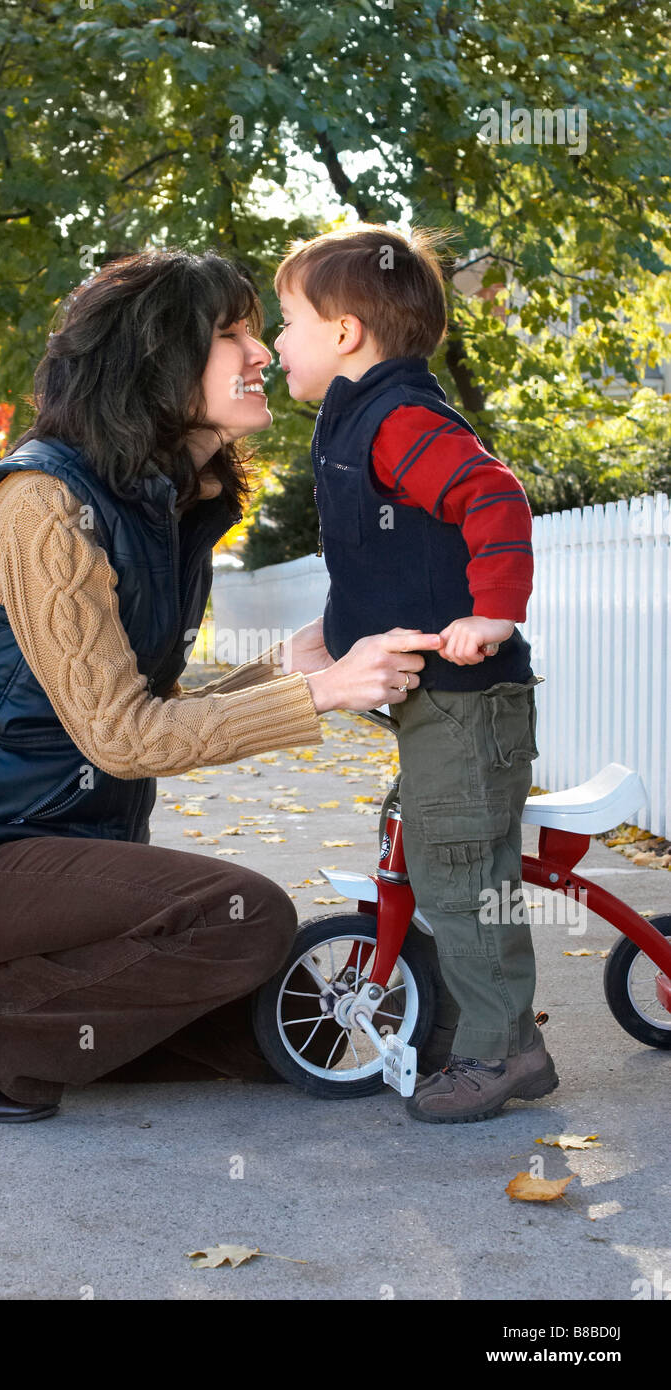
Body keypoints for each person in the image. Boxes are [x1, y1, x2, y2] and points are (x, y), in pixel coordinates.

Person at [0, 247, 441, 1123]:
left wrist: (283, 672)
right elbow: (122, 738)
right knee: (245, 919)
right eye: (230, 333)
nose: (260, 354)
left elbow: (139, 710)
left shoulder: (162, 505)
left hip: (69, 851)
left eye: (256, 330)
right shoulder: (40, 506)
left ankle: (26, 1006)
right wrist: (322, 697)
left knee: (292, 1043)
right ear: (154, 359)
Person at [272, 223, 558, 1123]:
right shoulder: (357, 426)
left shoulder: (400, 421)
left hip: (468, 701)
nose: (276, 342)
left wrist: (492, 612)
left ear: (346, 331)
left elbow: (493, 497)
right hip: (436, 704)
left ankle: (502, 1052)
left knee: (465, 878)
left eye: (286, 320)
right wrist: (328, 633)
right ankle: (472, 1027)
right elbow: (383, 564)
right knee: (437, 864)